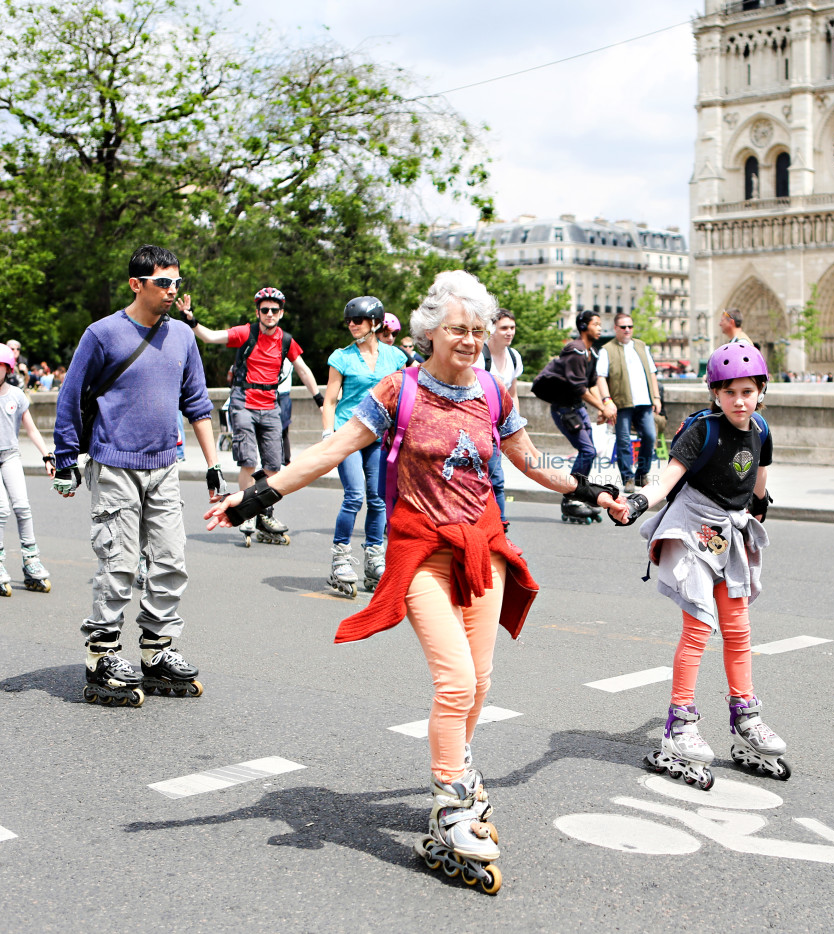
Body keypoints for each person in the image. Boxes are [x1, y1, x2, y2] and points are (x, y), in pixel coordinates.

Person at [203, 269, 622, 893]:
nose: (471, 339)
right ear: (429, 331)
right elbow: (329, 451)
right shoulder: (398, 389)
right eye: (458, 329)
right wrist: (252, 498)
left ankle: (462, 765)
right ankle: (451, 800)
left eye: (478, 330)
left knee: (480, 680)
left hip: (484, 550)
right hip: (422, 550)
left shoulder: (491, 392)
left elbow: (531, 463)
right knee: (453, 679)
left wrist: (594, 487)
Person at [607, 341, 789, 787]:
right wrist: (634, 503)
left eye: (748, 391)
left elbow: (759, 474)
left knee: (738, 627)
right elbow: (666, 479)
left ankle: (745, 717)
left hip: (729, 529)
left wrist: (761, 504)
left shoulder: (760, 428)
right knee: (698, 627)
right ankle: (680, 726)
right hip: (694, 526)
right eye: (729, 393)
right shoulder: (701, 431)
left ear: (761, 391)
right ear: (715, 394)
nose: (739, 401)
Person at [52, 244, 226, 707]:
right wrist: (66, 458)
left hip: (165, 465)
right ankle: (102, 653)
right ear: (137, 284)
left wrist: (212, 465)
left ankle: (156, 649)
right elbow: (70, 397)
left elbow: (197, 405)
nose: (172, 291)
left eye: (176, 282)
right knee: (120, 562)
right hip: (114, 465)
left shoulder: (183, 338)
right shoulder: (103, 334)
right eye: (162, 282)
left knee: (171, 560)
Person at [183, 286, 324, 545]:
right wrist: (191, 319)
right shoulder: (246, 332)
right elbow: (211, 337)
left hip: (271, 405)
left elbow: (303, 370)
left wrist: (319, 400)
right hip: (244, 401)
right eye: (264, 310)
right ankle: (246, 512)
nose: (269, 314)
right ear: (258, 312)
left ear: (281, 313)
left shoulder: (286, 340)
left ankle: (265, 513)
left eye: (274, 310)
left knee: (273, 465)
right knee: (248, 460)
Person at [321, 296, 407, 597]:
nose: (352, 326)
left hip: (379, 437)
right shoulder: (341, 357)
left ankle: (373, 559)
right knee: (355, 496)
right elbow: (330, 399)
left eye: (357, 320)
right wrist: (327, 434)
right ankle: (341, 559)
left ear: (374, 323)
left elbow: (403, 394)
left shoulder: (395, 357)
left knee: (378, 499)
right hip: (348, 433)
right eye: (349, 321)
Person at [0, 344, 55, 597]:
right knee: (1, 510)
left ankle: (30, 560)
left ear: (8, 368)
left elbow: (32, 429)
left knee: (22, 506)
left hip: (10, 455)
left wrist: (46, 455)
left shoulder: (17, 396)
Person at [549, 310, 611, 523]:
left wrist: (603, 406)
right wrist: (603, 408)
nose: (600, 328)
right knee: (587, 450)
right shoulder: (574, 350)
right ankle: (570, 499)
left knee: (590, 452)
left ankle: (579, 495)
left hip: (577, 408)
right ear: (584, 326)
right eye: (596, 324)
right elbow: (577, 387)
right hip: (564, 408)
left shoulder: (591, 352)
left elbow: (591, 385)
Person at [596, 312, 662, 494]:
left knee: (649, 436)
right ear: (615, 328)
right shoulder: (606, 350)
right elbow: (600, 377)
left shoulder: (641, 346)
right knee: (623, 441)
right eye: (623, 327)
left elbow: (652, 373)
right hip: (621, 402)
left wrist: (656, 397)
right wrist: (606, 401)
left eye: (630, 327)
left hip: (644, 401)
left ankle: (642, 474)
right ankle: (628, 477)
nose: (627, 330)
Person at [479, 309, 522, 529]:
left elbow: (512, 394)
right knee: (482, 479)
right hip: (479, 427)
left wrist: (517, 427)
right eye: (504, 328)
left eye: (512, 328)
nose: (509, 332)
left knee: (497, 479)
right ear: (492, 329)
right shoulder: (480, 356)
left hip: (499, 426)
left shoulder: (514, 356)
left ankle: (500, 524)